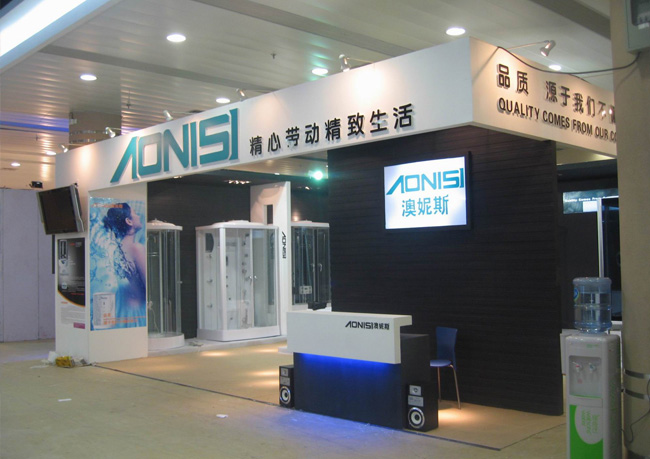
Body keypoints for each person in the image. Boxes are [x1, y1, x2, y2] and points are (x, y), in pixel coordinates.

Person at [102, 203, 146, 322]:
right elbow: (150, 286)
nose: (139, 216)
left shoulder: (117, 249)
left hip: (124, 310)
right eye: (135, 213)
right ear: (129, 221)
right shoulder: (136, 248)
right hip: (139, 312)